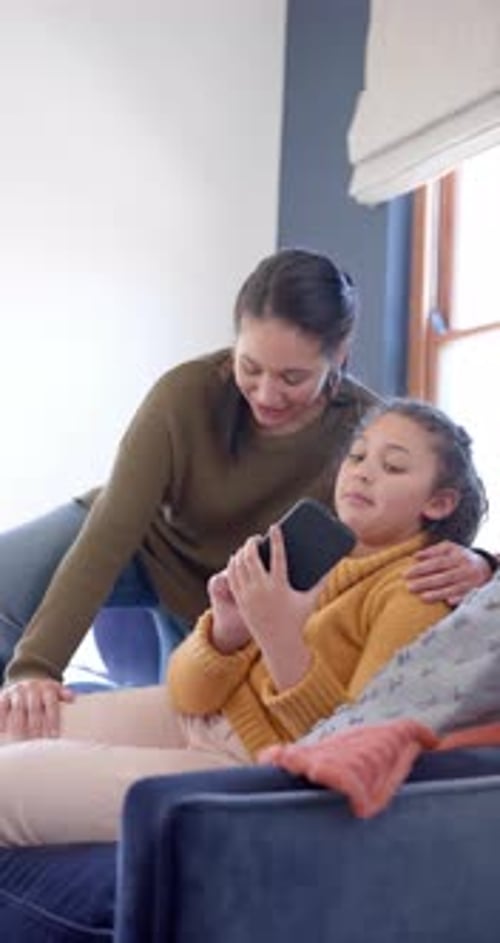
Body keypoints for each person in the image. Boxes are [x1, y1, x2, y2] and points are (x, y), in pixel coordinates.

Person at [0, 249, 491, 740]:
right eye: (249, 367)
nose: (265, 394)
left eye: (292, 377)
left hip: (233, 597)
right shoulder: (185, 393)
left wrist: (483, 565)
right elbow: (108, 536)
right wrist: (36, 668)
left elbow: (448, 499)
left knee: (176, 710)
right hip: (150, 543)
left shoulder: (367, 434)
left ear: (338, 356)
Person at [0, 397, 487, 845]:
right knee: (11, 726)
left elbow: (347, 744)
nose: (362, 474)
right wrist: (226, 632)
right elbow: (189, 692)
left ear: (439, 503)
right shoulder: (319, 552)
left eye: (393, 466)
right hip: (199, 716)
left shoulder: (416, 592)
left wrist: (279, 635)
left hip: (247, 762)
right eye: (357, 457)